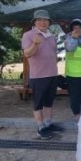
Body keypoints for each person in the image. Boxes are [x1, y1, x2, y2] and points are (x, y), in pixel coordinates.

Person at [21, 10, 63, 139]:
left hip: (52, 74)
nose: (43, 22)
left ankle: (48, 123)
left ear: (49, 23)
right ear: (35, 22)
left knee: (49, 102)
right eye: (39, 20)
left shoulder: (51, 36)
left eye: (45, 20)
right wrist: (35, 44)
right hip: (38, 76)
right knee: (38, 103)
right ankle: (40, 127)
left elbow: (53, 54)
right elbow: (27, 54)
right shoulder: (28, 35)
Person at [63, 18, 81, 120]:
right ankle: (77, 115)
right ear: (71, 30)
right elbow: (70, 48)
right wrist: (74, 38)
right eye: (74, 28)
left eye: (79, 27)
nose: (77, 29)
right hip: (74, 75)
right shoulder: (68, 39)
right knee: (75, 97)